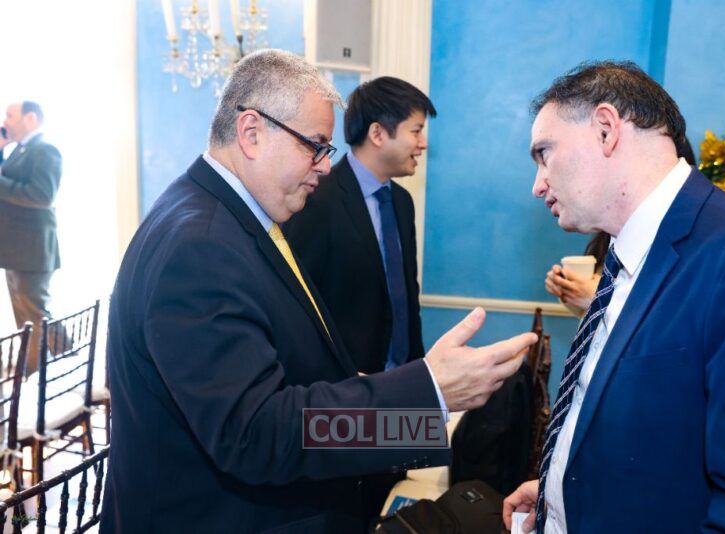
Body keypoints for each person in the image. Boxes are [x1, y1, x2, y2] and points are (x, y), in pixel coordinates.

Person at [101, 49, 536, 533]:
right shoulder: (201, 245)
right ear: (251, 132)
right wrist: (426, 397)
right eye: (315, 146)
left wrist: (413, 402)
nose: (326, 167)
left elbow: (283, 373)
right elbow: (257, 434)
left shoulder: (228, 217)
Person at [503, 61, 725, 533]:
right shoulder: (627, 254)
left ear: (605, 130)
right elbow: (655, 439)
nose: (537, 184)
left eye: (544, 154)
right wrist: (562, 494)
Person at [282, 76, 435, 518]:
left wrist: (419, 380)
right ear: (378, 133)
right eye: (416, 130)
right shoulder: (318, 197)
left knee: (390, 500)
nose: (422, 143)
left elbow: (405, 297)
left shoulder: (401, 202)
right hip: (342, 393)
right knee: (345, 507)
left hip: (400, 383)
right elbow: (298, 306)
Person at [544, 143, 696, 317]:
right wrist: (568, 290)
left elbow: (673, 317)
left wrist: (599, 298)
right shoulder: (611, 231)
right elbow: (591, 318)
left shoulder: (687, 240)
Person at [0, 101, 62, 374]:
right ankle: (52, 368)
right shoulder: (19, 150)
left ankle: (44, 375)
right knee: (29, 317)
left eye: (10, 115)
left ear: (30, 118)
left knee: (35, 317)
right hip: (15, 249)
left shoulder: (45, 149)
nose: (5, 121)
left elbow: (42, 195)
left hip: (31, 249)